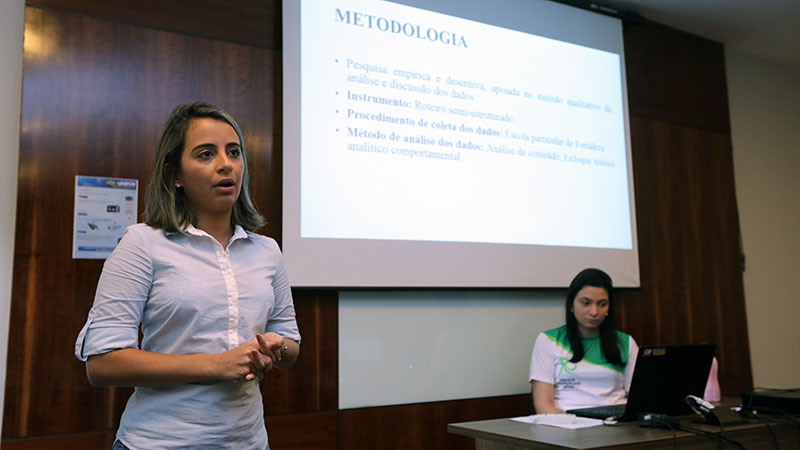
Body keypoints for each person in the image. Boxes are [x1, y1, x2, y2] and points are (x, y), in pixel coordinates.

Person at [74, 102, 300, 449]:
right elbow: (103, 364)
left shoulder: (267, 249)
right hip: (158, 442)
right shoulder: (142, 243)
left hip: (249, 442)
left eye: (234, 152)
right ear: (175, 174)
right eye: (206, 154)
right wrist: (215, 365)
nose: (226, 164)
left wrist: (274, 348)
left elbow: (290, 343)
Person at [528, 268, 638, 414]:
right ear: (571, 305)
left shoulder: (626, 342)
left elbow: (638, 399)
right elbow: (543, 403)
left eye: (602, 304)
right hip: (567, 424)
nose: (594, 312)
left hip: (616, 423)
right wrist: (569, 427)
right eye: (586, 303)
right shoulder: (548, 340)